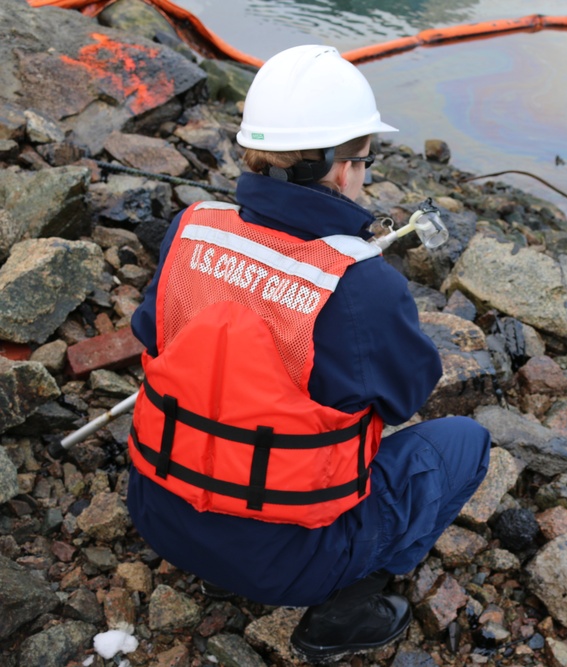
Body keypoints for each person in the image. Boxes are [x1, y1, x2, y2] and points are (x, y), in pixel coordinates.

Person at [126, 44, 491, 664]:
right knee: (463, 445)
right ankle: (347, 606)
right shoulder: (363, 286)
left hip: (157, 514)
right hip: (290, 565)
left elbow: (154, 332)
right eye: (365, 160)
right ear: (342, 168)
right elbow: (406, 396)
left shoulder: (191, 231)